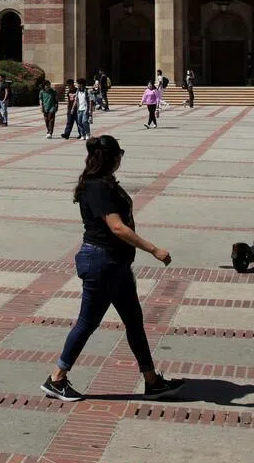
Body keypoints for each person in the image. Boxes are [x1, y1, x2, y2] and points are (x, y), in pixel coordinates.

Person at [41, 134, 184, 403]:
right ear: (112, 157)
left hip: (116, 262)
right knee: (87, 322)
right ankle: (57, 378)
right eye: (120, 153)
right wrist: (153, 249)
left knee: (134, 321)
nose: (121, 158)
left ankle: (151, 380)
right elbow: (116, 227)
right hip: (101, 262)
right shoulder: (97, 187)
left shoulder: (104, 183)